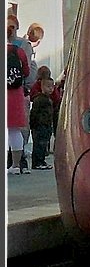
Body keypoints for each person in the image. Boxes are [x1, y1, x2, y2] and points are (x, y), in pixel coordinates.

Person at [7, 20, 31, 175]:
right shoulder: (18, 51)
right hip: (15, 93)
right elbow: (27, 72)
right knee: (14, 131)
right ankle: (16, 165)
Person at [29, 75, 56, 170]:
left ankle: (40, 161)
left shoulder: (48, 99)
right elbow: (34, 113)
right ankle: (38, 162)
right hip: (40, 125)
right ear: (42, 87)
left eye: (52, 87)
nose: (51, 89)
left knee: (43, 144)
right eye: (48, 87)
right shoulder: (39, 99)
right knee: (39, 145)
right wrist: (33, 124)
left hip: (46, 125)